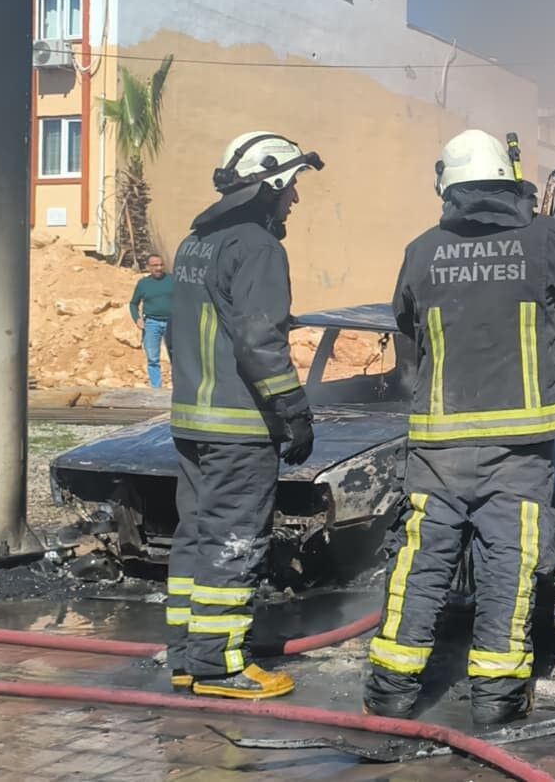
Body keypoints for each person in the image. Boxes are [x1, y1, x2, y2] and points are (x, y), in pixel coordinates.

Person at [364, 130, 555, 725]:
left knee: (420, 565)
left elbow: (405, 321)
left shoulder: (422, 249)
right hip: (517, 450)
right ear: (510, 181)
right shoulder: (543, 238)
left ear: (448, 189)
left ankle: (390, 691)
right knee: (510, 567)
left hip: (438, 447)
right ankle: (497, 699)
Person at [167, 131, 322, 699]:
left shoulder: (195, 244)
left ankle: (188, 656)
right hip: (239, 428)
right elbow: (260, 342)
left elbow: (181, 335)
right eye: (292, 186)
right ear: (272, 183)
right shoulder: (258, 248)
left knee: (196, 537)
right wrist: (293, 411)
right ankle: (220, 667)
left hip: (192, 423)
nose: (295, 199)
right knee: (235, 541)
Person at [129, 253, 174, 388]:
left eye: (161, 265)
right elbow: (133, 303)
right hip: (151, 323)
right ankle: (156, 389)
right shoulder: (143, 284)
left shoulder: (173, 280)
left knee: (176, 357)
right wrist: (137, 319)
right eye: (155, 265)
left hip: (172, 323)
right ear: (148, 267)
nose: (159, 268)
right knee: (153, 358)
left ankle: (178, 387)